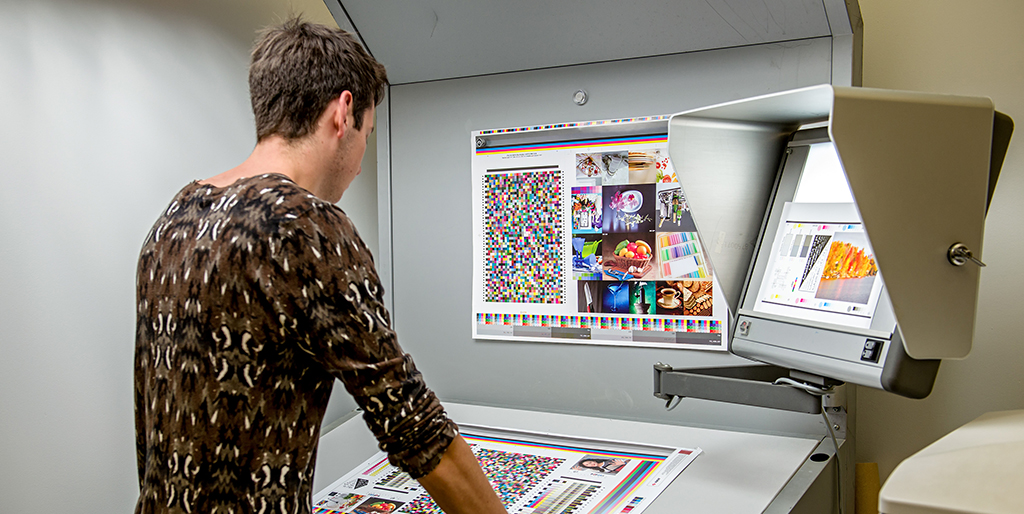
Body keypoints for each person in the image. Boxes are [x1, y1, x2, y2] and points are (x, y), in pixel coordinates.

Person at [133, 18, 506, 514]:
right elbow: (410, 421)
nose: (357, 164)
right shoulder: (306, 227)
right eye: (366, 137)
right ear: (343, 112)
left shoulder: (174, 218)